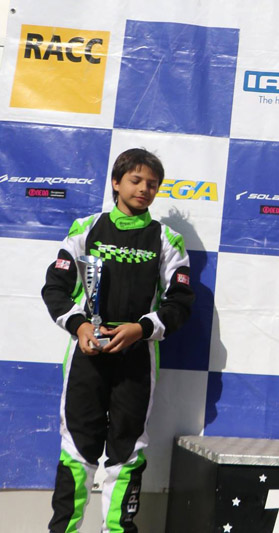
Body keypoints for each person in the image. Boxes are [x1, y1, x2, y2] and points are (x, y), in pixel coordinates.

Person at [42, 148, 194, 533]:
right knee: (77, 449)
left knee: (126, 452)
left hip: (136, 357)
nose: (144, 189)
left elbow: (179, 304)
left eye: (152, 184)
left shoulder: (167, 238)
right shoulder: (86, 228)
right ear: (116, 183)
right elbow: (55, 289)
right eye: (136, 180)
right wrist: (79, 326)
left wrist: (139, 330)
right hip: (86, 355)